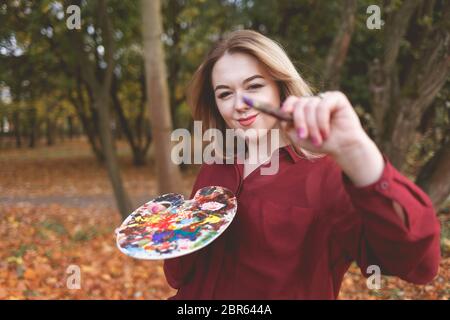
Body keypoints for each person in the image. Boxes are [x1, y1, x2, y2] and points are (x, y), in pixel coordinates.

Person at [164, 29, 441, 299]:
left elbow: (418, 265)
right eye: (225, 94)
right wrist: (171, 229)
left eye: (254, 86)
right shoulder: (216, 164)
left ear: (280, 88)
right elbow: (178, 274)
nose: (239, 104)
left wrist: (358, 152)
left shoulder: (327, 176)